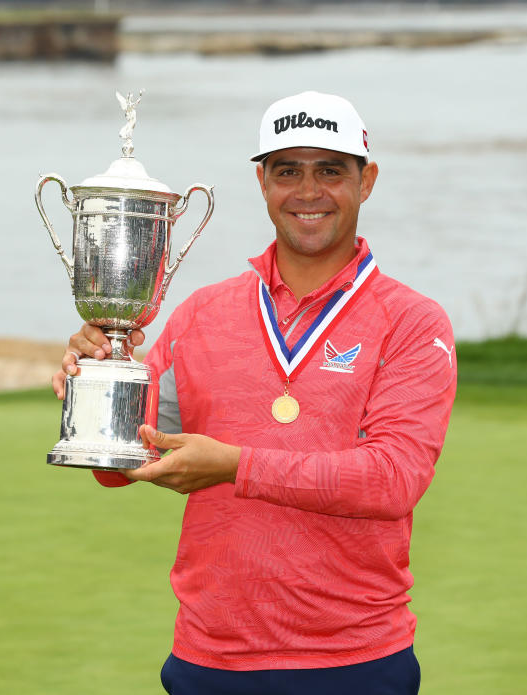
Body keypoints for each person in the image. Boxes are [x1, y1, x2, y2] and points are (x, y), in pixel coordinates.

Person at [52, 91, 457, 695]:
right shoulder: (201, 315)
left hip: (354, 663)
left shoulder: (412, 323)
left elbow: (392, 479)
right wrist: (97, 384)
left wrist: (236, 466)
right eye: (287, 170)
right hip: (209, 659)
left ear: (366, 181)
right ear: (262, 182)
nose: (308, 191)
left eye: (331, 170)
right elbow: (123, 464)